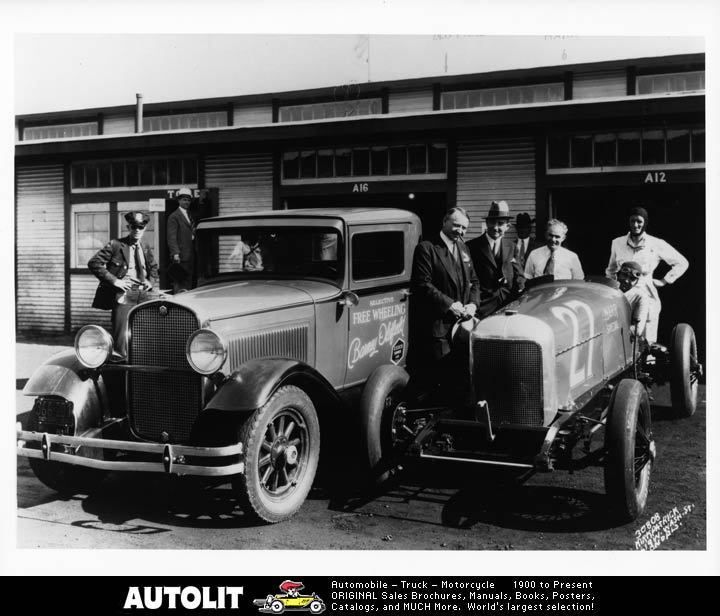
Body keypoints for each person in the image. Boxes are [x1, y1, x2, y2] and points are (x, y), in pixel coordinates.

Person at [410, 207, 480, 401]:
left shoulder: (464, 249)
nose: (461, 231)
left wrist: (473, 304)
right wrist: (450, 305)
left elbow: (474, 282)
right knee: (441, 379)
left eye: (464, 228)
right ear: (444, 222)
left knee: (461, 380)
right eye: (457, 225)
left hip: (462, 329)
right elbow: (422, 285)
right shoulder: (427, 248)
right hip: (438, 329)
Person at [606, 206, 688, 344]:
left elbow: (682, 262)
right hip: (623, 295)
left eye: (639, 221)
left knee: (646, 341)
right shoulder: (617, 243)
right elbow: (611, 270)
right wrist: (613, 286)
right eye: (632, 221)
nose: (635, 225)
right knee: (620, 336)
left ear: (645, 222)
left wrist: (664, 280)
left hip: (646, 294)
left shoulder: (656, 243)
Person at [88, 211, 159, 357]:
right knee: (121, 337)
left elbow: (153, 267)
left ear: (145, 228)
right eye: (134, 227)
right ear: (128, 227)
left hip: (144, 293)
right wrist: (115, 281)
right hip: (124, 294)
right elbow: (94, 263)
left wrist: (150, 282)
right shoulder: (116, 245)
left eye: (141, 227)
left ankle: (143, 364)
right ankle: (120, 368)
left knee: (147, 332)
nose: (137, 230)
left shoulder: (145, 246)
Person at [466, 200, 524, 318]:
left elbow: (519, 274)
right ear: (486, 223)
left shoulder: (512, 246)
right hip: (482, 304)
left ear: (507, 226)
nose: (495, 227)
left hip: (507, 304)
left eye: (500, 223)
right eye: (492, 222)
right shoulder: (472, 246)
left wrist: (520, 288)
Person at [167, 186, 196, 293]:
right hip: (181, 256)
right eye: (184, 199)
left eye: (188, 200)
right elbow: (171, 237)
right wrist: (175, 253)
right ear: (179, 200)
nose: (186, 202)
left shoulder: (189, 215)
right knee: (180, 282)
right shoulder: (174, 216)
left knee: (188, 282)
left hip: (190, 255)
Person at [617, 260, 651, 340]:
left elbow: (637, 330)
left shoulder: (640, 297)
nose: (626, 280)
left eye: (632, 279)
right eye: (624, 275)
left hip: (622, 340)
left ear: (636, 282)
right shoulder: (608, 290)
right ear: (618, 275)